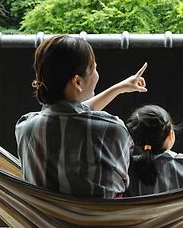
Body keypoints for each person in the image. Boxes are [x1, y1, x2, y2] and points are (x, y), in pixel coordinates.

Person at [15, 35, 147, 198]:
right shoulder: (112, 129)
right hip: (106, 221)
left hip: (45, 222)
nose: (97, 74)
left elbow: (70, 113)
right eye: (94, 69)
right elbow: (124, 181)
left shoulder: (26, 128)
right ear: (78, 82)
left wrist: (118, 88)